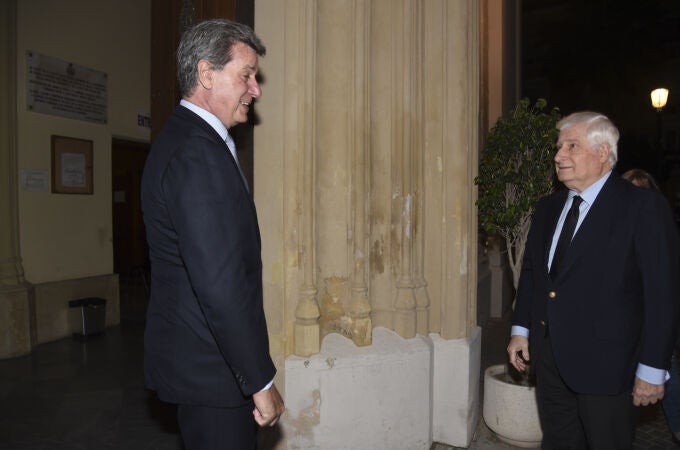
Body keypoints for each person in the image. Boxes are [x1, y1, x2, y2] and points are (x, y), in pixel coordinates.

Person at [141, 18, 284, 449]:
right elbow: (220, 284)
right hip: (212, 374)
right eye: (246, 74)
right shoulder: (196, 153)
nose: (255, 88)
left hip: (206, 367)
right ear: (206, 74)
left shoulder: (194, 142)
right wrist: (260, 380)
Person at [507, 111, 680, 449]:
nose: (559, 155)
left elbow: (663, 293)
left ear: (603, 152)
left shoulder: (641, 207)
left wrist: (652, 367)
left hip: (610, 368)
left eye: (572, 146)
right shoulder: (548, 208)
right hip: (550, 361)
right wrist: (520, 330)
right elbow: (533, 275)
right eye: (559, 147)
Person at [622, 168, 680, 443]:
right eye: (630, 190)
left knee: (672, 381)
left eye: (642, 190)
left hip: (657, 325)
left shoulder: (662, 229)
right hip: (623, 331)